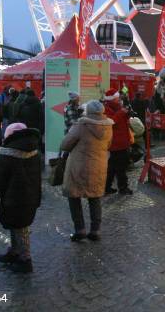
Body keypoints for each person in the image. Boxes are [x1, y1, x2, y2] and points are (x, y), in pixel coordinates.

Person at [0, 123, 41, 273]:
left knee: (20, 228)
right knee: (18, 226)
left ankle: (25, 259)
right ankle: (15, 251)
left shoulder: (6, 155)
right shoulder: (34, 152)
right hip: (30, 198)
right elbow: (37, 179)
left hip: (13, 200)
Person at [60, 100, 114, 242]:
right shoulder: (109, 126)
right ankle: (95, 230)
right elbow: (108, 145)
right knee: (95, 197)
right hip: (99, 166)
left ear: (88, 111)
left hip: (79, 166)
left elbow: (65, 145)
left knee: (74, 196)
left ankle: (80, 230)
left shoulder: (81, 125)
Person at [103, 89, 133, 195]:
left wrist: (127, 114)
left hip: (121, 141)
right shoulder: (106, 109)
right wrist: (122, 112)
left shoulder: (118, 107)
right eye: (117, 98)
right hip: (116, 143)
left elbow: (122, 120)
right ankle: (123, 188)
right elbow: (111, 122)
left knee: (113, 166)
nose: (119, 99)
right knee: (121, 167)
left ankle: (106, 186)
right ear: (112, 99)